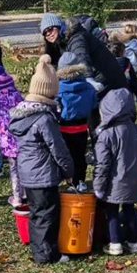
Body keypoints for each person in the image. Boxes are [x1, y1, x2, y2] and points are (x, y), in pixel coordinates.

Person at [8, 54, 75, 265]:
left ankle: (39, 249)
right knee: (47, 214)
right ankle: (47, 255)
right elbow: (58, 149)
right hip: (44, 175)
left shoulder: (21, 117)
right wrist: (68, 170)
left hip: (27, 174)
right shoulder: (45, 119)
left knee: (37, 213)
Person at [92, 88, 137, 257]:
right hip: (134, 180)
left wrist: (98, 186)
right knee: (129, 210)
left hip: (114, 183)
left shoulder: (106, 136)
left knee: (112, 212)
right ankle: (133, 243)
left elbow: (102, 164)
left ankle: (115, 243)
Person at [56, 50, 99, 193]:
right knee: (80, 155)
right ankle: (79, 180)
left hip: (64, 127)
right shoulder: (87, 87)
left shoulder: (59, 88)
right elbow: (94, 104)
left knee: (66, 156)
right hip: (81, 127)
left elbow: (56, 105)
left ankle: (68, 179)